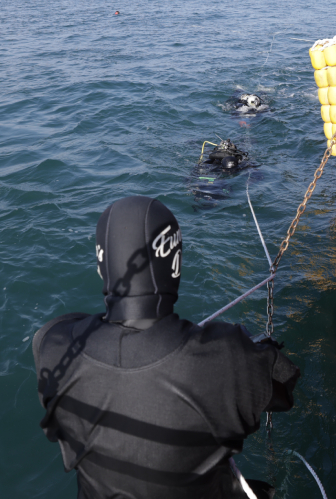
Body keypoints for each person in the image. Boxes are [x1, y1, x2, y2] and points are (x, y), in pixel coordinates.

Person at [33, 196, 300, 498]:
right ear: (176, 263)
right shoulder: (227, 356)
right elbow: (283, 387)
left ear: (101, 265)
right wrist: (253, 350)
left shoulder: (52, 347)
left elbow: (60, 327)